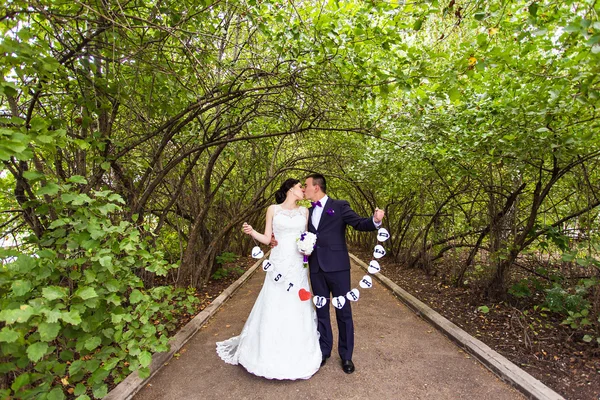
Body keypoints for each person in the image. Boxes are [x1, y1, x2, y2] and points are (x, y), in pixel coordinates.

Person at [216, 178, 321, 380]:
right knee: (275, 300)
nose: (303, 190)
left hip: (297, 265)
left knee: (296, 302)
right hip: (279, 262)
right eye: (300, 187)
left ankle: (298, 352)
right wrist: (251, 232)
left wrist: (308, 246)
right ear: (291, 189)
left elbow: (306, 236)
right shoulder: (273, 209)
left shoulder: (304, 212)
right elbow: (266, 238)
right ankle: (265, 352)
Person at [303, 173, 384, 374]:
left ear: (316, 187)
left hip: (338, 268)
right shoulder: (306, 211)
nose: (304, 189)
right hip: (316, 268)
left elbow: (358, 223)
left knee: (343, 312)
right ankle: (324, 351)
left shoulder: (339, 205)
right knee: (321, 310)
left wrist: (374, 220)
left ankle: (346, 356)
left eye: (306, 185)